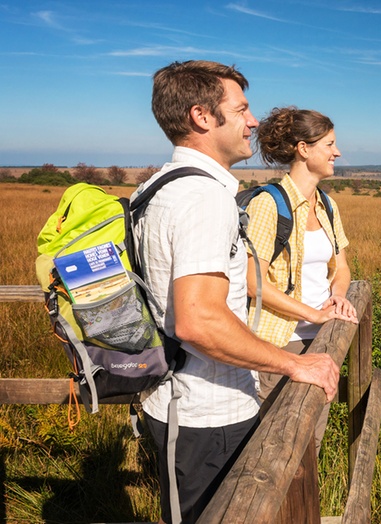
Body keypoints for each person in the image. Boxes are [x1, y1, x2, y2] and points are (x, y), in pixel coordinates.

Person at [132, 60, 339, 524]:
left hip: (174, 402)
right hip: (209, 412)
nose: (253, 122)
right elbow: (198, 320)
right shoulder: (204, 198)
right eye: (241, 109)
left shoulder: (157, 186)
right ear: (202, 117)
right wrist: (293, 362)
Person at [245, 107, 358, 454]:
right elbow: (254, 284)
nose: (336, 152)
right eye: (329, 144)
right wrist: (313, 314)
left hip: (322, 340)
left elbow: (341, 266)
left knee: (310, 446)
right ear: (303, 149)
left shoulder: (327, 204)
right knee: (279, 451)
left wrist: (338, 296)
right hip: (281, 344)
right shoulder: (268, 204)